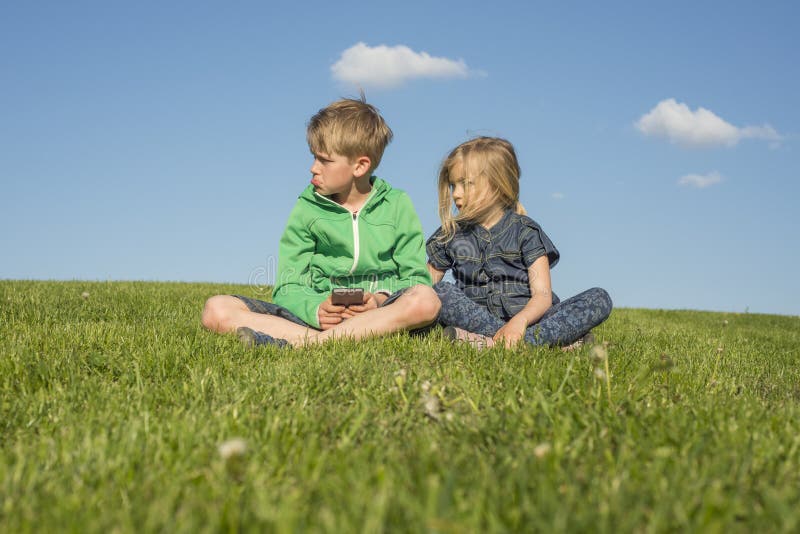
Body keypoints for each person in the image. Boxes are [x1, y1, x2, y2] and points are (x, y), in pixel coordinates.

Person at [202, 97, 440, 347]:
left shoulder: (397, 205)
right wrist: (316, 309)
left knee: (426, 300)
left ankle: (305, 343)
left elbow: (414, 278)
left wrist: (379, 300)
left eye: (324, 160)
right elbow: (288, 284)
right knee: (216, 309)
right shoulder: (307, 207)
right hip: (318, 316)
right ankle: (323, 340)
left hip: (379, 314)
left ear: (360, 166)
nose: (313, 168)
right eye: (314, 157)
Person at [426, 136, 612, 349]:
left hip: (529, 319)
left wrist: (519, 322)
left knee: (599, 298)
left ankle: (495, 343)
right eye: (452, 185)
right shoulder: (449, 234)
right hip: (476, 319)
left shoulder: (526, 231)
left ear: (497, 184)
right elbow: (423, 285)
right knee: (439, 291)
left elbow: (542, 296)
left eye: (465, 184)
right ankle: (552, 344)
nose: (456, 194)